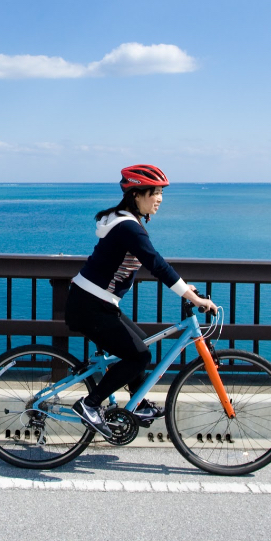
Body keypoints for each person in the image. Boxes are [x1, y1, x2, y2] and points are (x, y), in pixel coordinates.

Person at [67, 163, 217, 439]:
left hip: (96, 302)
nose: (159, 198)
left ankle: (136, 404)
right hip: (90, 306)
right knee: (139, 355)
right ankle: (89, 404)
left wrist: (186, 288)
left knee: (141, 345)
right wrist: (190, 296)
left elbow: (151, 264)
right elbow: (156, 263)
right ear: (137, 194)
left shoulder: (127, 222)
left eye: (161, 192)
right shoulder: (128, 227)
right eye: (154, 192)